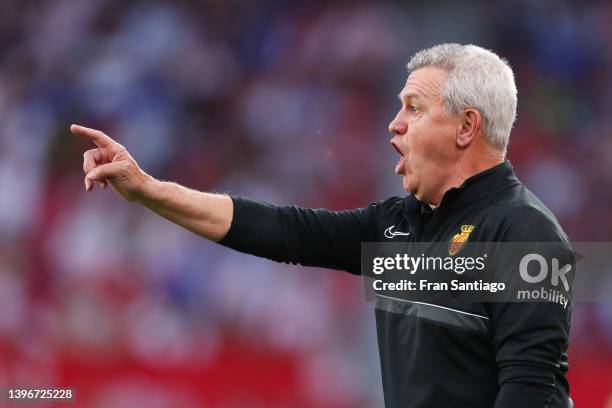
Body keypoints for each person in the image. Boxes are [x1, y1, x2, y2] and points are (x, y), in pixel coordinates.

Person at [72, 43, 573, 407]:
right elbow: (282, 231)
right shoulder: (399, 225)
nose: (394, 124)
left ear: (467, 127)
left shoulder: (524, 233)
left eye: (413, 109)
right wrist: (146, 188)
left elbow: (529, 391)